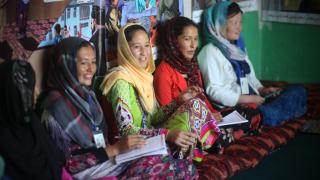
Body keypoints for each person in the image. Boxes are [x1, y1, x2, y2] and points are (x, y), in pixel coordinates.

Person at [38, 37, 197, 179]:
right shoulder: (57, 107)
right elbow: (66, 164)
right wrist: (116, 149)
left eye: (93, 62)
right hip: (88, 169)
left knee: (179, 162)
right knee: (178, 169)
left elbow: (151, 118)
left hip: (111, 158)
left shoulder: (88, 97)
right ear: (67, 65)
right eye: (83, 63)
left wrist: (178, 103)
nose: (91, 69)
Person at [100, 23, 220, 163]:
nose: (144, 53)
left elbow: (153, 119)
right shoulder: (120, 81)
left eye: (146, 46)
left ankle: (193, 153)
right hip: (132, 148)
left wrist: (179, 100)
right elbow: (126, 130)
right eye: (137, 47)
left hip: (151, 139)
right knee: (184, 129)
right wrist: (167, 134)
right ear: (125, 49)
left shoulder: (143, 77)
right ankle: (188, 157)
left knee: (194, 104)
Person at [198, 1, 307, 127]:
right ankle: (267, 116)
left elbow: (251, 79)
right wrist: (245, 99)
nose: (240, 28)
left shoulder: (237, 48)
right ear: (219, 24)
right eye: (234, 23)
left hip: (255, 101)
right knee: (273, 109)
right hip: (236, 107)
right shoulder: (210, 51)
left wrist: (263, 90)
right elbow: (214, 91)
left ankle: (271, 115)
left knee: (298, 90)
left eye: (241, 22)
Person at [0, 60, 64, 179]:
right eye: (27, 88)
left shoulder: (31, 123)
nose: (36, 93)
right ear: (10, 93)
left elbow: (56, 160)